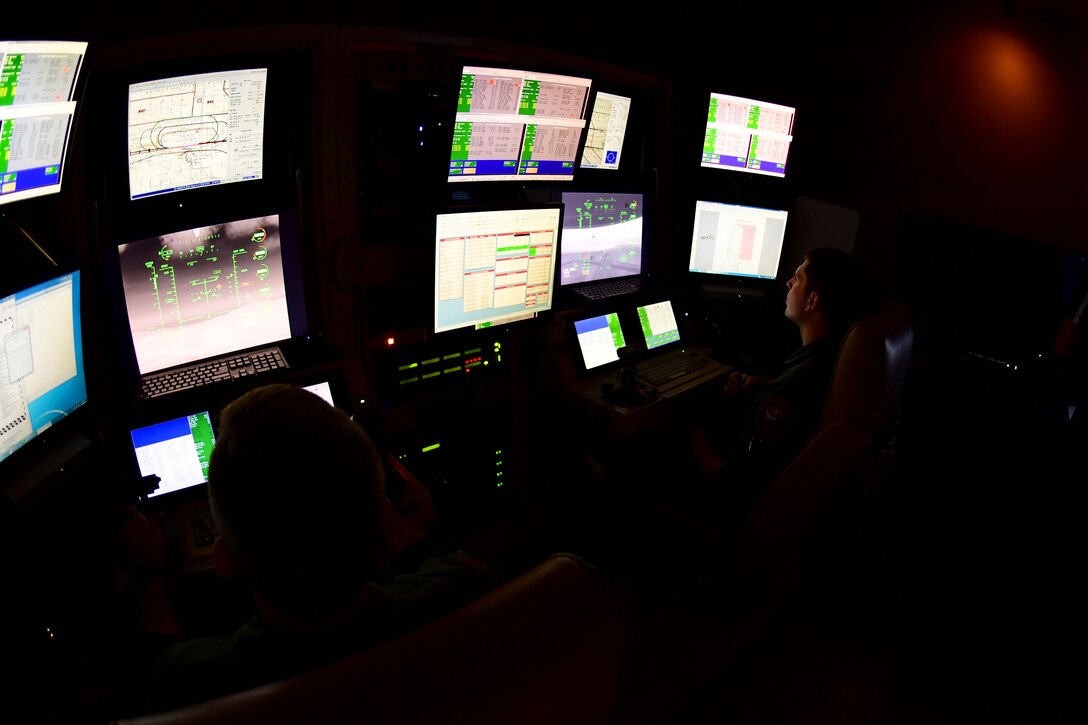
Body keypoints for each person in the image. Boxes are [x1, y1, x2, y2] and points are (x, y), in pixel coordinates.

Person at [119, 383, 507, 713]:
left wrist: (150, 572)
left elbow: (155, 660)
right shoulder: (467, 585)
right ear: (378, 532)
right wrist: (377, 512)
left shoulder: (187, 680)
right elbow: (447, 563)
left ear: (225, 560)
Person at [688, 247, 870, 525]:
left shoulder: (791, 390)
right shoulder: (831, 358)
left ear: (812, 301)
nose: (788, 283)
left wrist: (690, 431)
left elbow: (728, 487)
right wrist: (766, 387)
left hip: (740, 516)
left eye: (797, 278)